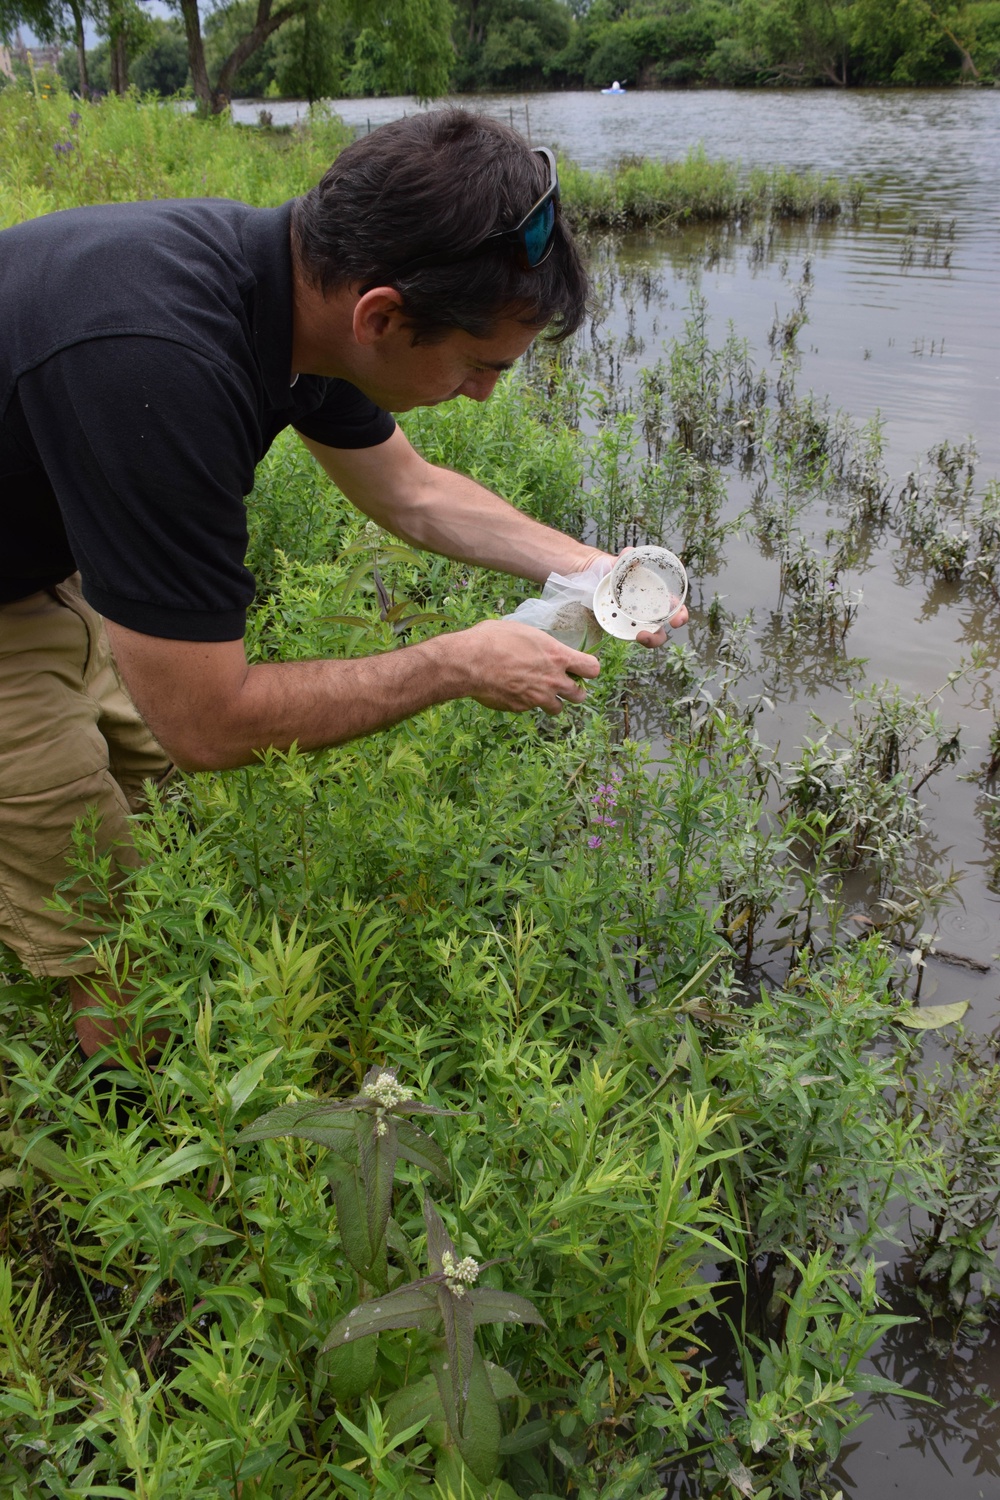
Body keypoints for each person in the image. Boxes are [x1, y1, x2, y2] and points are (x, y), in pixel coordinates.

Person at [0, 108, 687, 1057]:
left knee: (157, 815)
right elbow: (210, 723)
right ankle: (138, 1111)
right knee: (105, 920)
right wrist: (454, 663)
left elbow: (412, 492)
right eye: (480, 364)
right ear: (382, 317)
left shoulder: (286, 287)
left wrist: (595, 572)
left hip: (41, 558)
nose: (485, 391)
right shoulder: (161, 367)